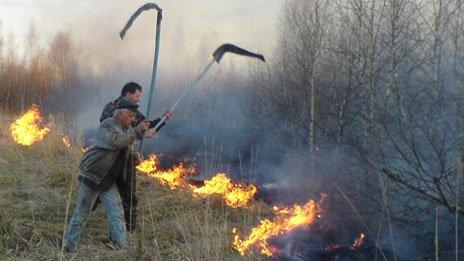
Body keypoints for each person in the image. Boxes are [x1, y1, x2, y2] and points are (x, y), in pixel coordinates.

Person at [63, 100, 152, 251]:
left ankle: (120, 248)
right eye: (130, 117)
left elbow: (128, 149)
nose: (132, 120)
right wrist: (138, 130)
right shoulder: (108, 124)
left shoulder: (126, 129)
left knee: (117, 213)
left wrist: (135, 156)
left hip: (108, 180)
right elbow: (117, 142)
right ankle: (68, 246)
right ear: (121, 114)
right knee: (82, 213)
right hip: (93, 175)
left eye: (133, 118)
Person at [98, 82, 172, 231]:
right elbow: (112, 131)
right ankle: (82, 215)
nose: (139, 99)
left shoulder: (134, 111)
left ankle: (130, 228)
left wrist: (163, 119)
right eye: (137, 96)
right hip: (110, 159)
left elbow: (146, 125)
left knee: (130, 196)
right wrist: (142, 132)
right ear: (127, 93)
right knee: (99, 190)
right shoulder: (112, 108)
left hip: (128, 159)